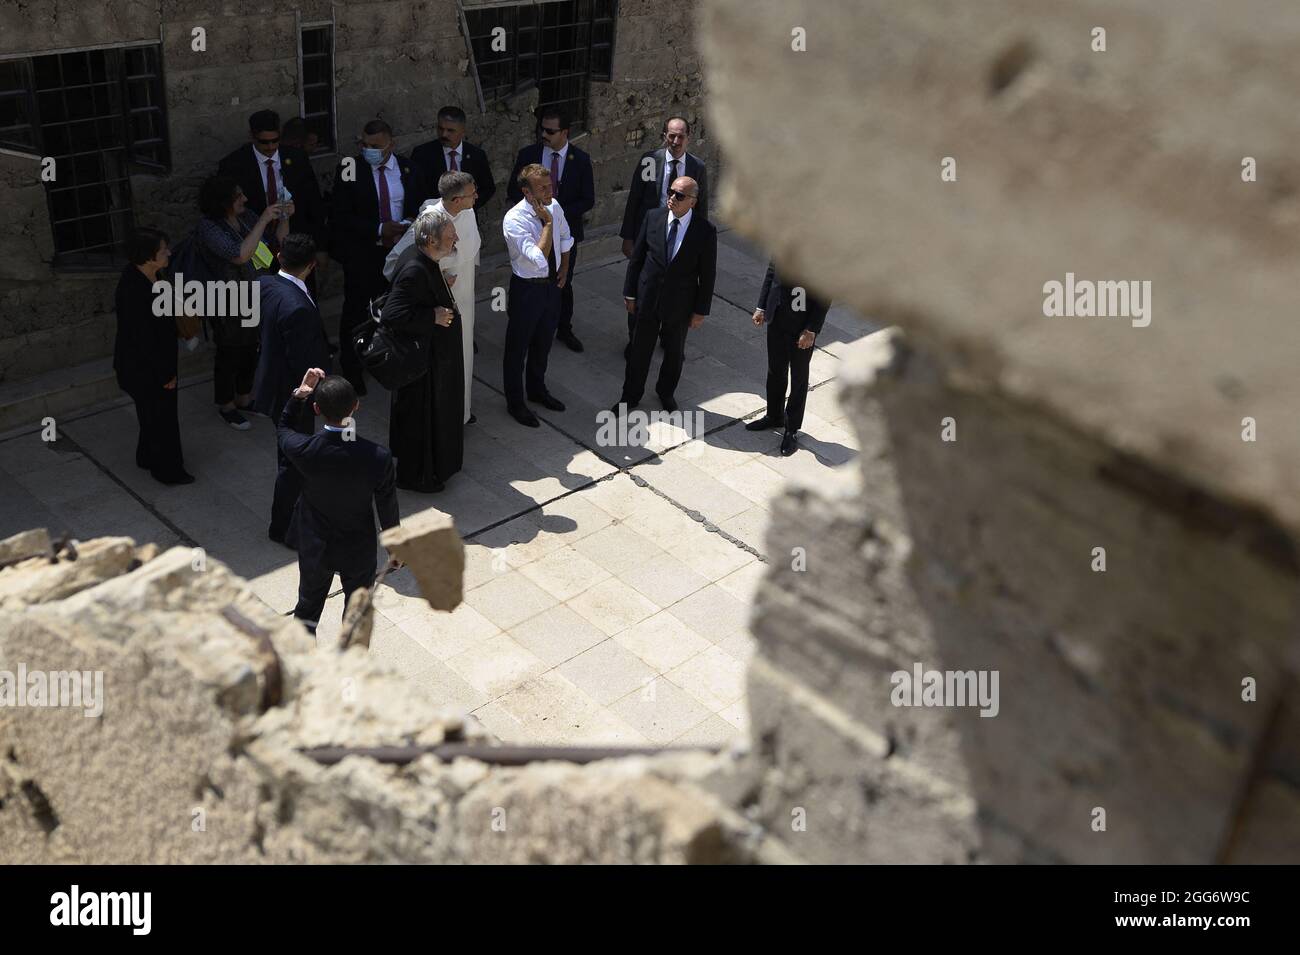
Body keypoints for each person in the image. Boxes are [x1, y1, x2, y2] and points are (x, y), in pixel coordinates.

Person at [277, 368, 400, 636]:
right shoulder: (378, 457)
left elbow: (284, 429)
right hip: (358, 548)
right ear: (356, 406)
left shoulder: (304, 450)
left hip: (315, 545)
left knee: (307, 609)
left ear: (317, 409)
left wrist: (298, 396)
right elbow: (387, 504)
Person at [329, 119, 428, 395]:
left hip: (400, 255)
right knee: (356, 311)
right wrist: (379, 228)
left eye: (376, 146)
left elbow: (422, 205)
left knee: (396, 309)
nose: (368, 150)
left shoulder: (409, 170)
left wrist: (408, 222)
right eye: (364, 145)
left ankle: (390, 359)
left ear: (391, 145)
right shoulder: (350, 170)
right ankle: (352, 368)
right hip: (364, 254)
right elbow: (341, 215)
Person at [252, 234, 333, 544]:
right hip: (293, 393)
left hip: (274, 383)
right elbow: (303, 362)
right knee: (294, 464)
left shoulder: (266, 284)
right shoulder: (297, 306)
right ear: (311, 265)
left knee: (290, 457)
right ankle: (284, 527)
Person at [195, 174, 291, 430]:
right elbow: (239, 255)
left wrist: (284, 217)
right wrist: (263, 220)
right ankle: (226, 404)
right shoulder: (209, 228)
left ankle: (244, 397)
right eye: (238, 196)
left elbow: (276, 244)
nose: (244, 199)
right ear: (223, 201)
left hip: (255, 294)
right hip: (226, 300)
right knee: (230, 351)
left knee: (251, 348)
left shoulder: (246, 218)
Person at [384, 171, 481, 423]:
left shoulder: (468, 213)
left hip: (464, 297)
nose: (477, 197)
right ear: (457, 200)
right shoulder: (429, 222)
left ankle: (463, 410)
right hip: (439, 304)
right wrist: (436, 279)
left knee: (464, 353)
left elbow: (470, 249)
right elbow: (400, 259)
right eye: (472, 194)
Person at [614, 176, 716, 414]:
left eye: (679, 195)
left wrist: (701, 310)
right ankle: (630, 396)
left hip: (680, 305)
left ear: (692, 201)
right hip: (648, 299)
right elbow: (637, 259)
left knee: (674, 354)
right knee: (639, 351)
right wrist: (630, 294)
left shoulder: (705, 231)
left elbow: (708, 274)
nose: (672, 198)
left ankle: (665, 392)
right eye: (671, 192)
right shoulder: (653, 217)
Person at [386, 206, 464, 492]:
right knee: (417, 422)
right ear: (431, 241)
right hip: (419, 365)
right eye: (450, 236)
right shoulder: (414, 269)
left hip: (432, 360)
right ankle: (415, 476)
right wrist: (433, 316)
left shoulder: (425, 260)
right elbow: (393, 314)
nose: (455, 240)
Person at [506, 107, 595, 352]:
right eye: (541, 129)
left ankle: (563, 328)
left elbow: (588, 199)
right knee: (531, 281)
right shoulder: (529, 154)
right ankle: (529, 325)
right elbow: (514, 191)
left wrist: (555, 213)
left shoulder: (581, 160)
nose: (543, 134)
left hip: (563, 235)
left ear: (564, 132)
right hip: (532, 233)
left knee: (562, 282)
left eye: (550, 130)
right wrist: (536, 211)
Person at [113, 228, 192, 486]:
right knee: (162, 419)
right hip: (146, 369)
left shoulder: (149, 277)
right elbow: (144, 340)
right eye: (162, 250)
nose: (168, 252)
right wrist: (165, 374)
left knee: (151, 416)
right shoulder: (134, 291)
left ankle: (147, 456)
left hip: (147, 366)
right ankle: (167, 470)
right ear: (147, 257)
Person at [501, 164, 572, 427]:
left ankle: (537, 389)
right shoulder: (514, 219)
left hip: (551, 286)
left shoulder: (554, 206)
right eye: (542, 188)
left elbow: (566, 237)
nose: (548, 191)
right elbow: (537, 256)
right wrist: (548, 224)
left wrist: (564, 267)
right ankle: (515, 402)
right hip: (527, 289)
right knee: (517, 347)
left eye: (550, 185)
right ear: (527, 192)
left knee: (543, 342)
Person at [744, 261, 833, 456]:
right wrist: (761, 306)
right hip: (777, 318)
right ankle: (774, 416)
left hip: (801, 326)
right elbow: (771, 273)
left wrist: (811, 329)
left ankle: (791, 429)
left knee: (799, 377)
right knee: (775, 370)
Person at [217, 110, 325, 252]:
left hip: (295, 244)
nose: (271, 147)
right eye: (264, 142)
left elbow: (313, 202)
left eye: (275, 140)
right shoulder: (234, 165)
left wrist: (321, 247)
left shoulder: (297, 158)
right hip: (256, 246)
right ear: (252, 136)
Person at [410, 106, 496, 211]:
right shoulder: (422, 154)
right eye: (441, 129)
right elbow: (416, 190)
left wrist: (467, 205)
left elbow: (487, 188)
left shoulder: (476, 155)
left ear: (463, 131)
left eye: (450, 130)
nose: (444, 134)